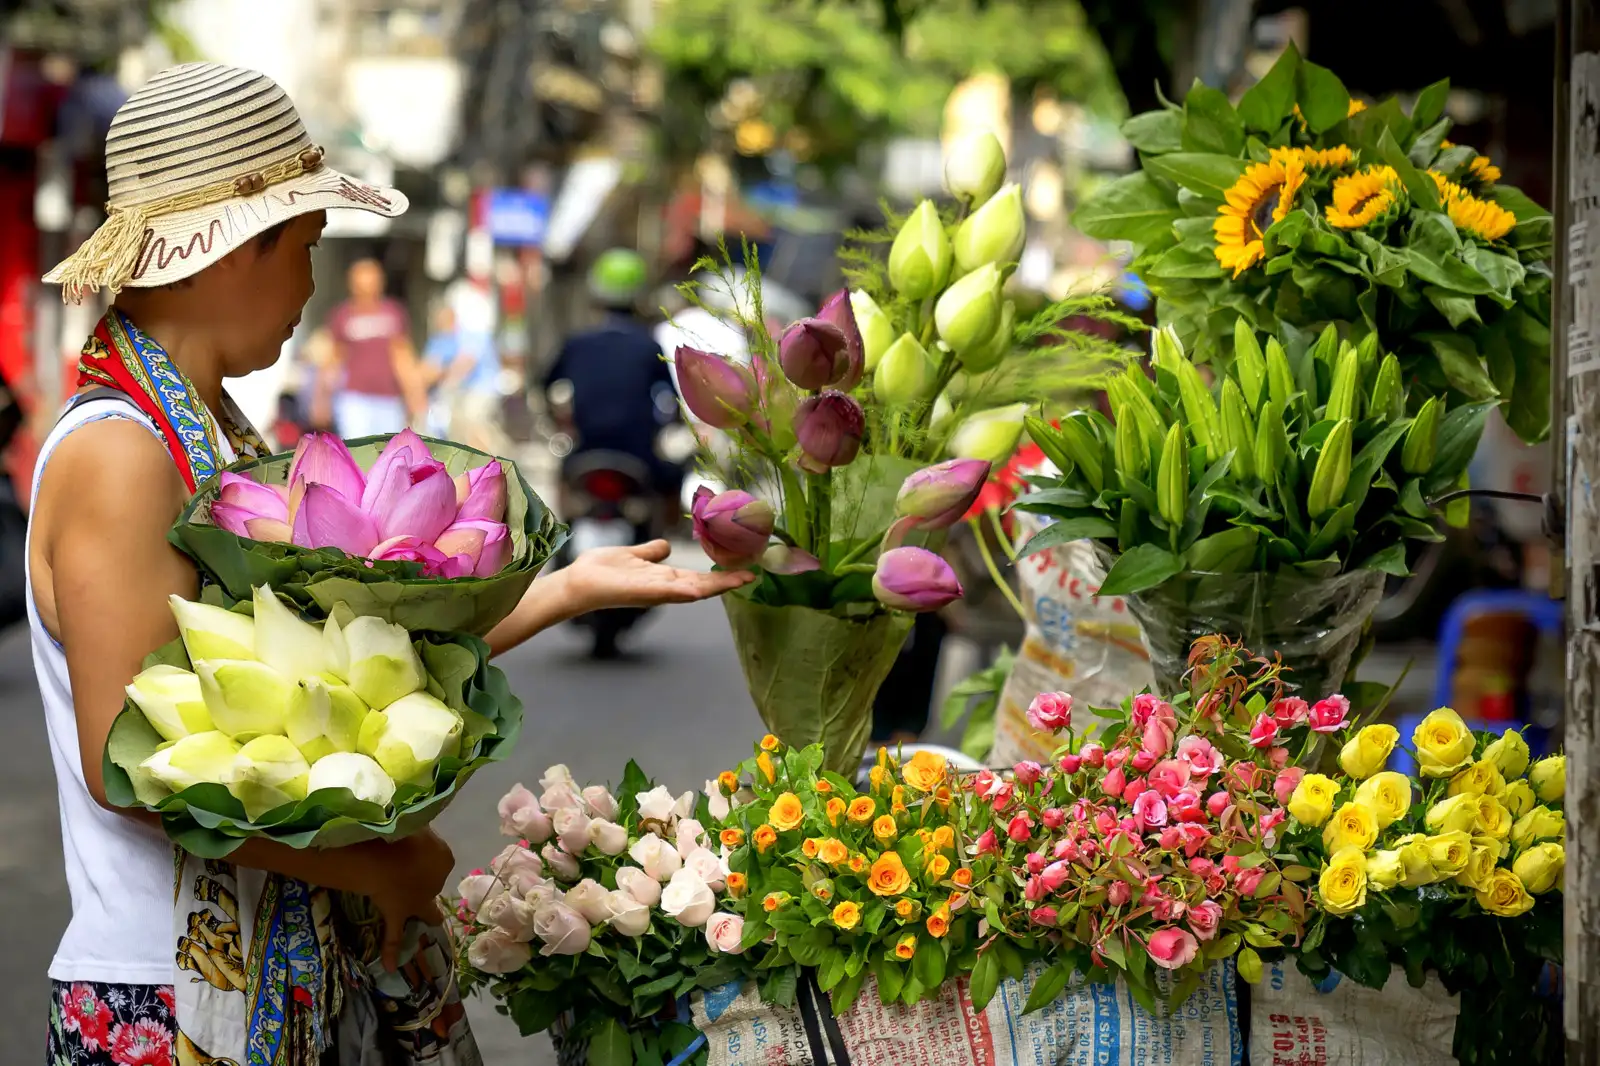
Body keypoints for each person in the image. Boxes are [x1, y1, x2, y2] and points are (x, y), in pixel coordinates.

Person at [33, 63, 751, 1063]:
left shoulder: (208, 434)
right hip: (170, 997)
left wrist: (566, 589)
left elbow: (340, 679)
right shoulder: (122, 454)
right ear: (235, 249)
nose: (314, 283)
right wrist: (376, 870)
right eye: (308, 246)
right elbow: (129, 764)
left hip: (244, 986)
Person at [544, 249, 683, 501]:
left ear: (595, 292)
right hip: (640, 455)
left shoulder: (577, 344)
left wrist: (561, 423)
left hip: (586, 449)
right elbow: (672, 401)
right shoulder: (649, 346)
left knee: (562, 486)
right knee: (674, 478)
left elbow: (546, 386)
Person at [312, 257, 428, 438]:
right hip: (354, 400)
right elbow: (333, 359)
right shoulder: (343, 315)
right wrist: (321, 399)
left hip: (389, 400)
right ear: (352, 284)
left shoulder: (393, 313)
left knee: (388, 457)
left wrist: (415, 395)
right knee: (358, 457)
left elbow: (403, 357)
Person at [421, 301, 509, 456]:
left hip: (481, 388)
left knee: (471, 420)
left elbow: (465, 363)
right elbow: (429, 367)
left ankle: (492, 462)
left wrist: (445, 379)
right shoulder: (438, 340)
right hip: (458, 392)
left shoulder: (470, 335)